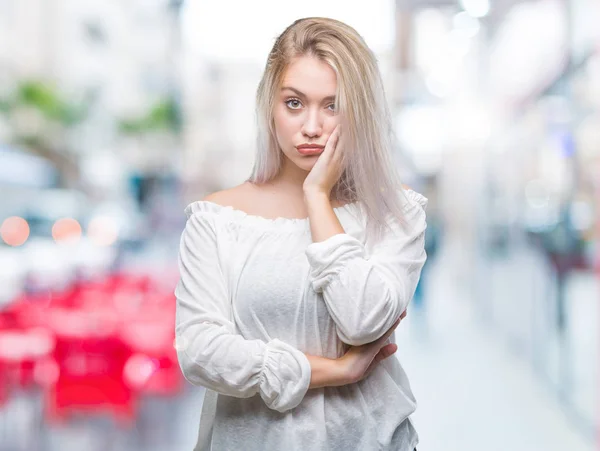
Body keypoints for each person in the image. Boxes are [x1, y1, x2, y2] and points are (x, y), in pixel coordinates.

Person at [175, 17, 427, 451]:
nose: (312, 126)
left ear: (360, 111)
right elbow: (200, 352)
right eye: (294, 103)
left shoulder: (396, 211)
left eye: (332, 106)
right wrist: (334, 372)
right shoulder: (216, 218)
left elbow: (363, 320)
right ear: (270, 106)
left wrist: (317, 196)